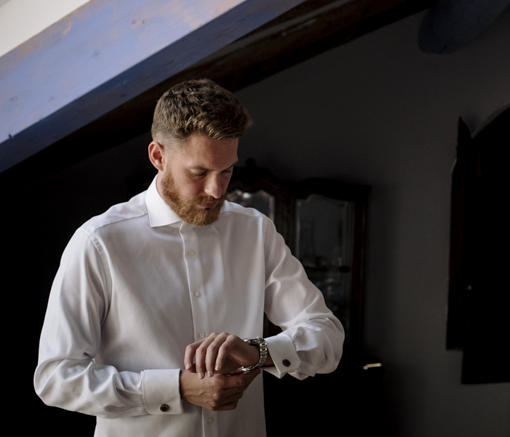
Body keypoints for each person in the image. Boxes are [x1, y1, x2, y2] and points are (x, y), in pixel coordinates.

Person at [34, 79, 344, 436]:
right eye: (199, 172)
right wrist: (176, 387)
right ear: (158, 156)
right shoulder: (98, 243)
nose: (216, 190)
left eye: (226, 171)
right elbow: (56, 378)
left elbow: (328, 338)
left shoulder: (256, 232)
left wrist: (259, 352)